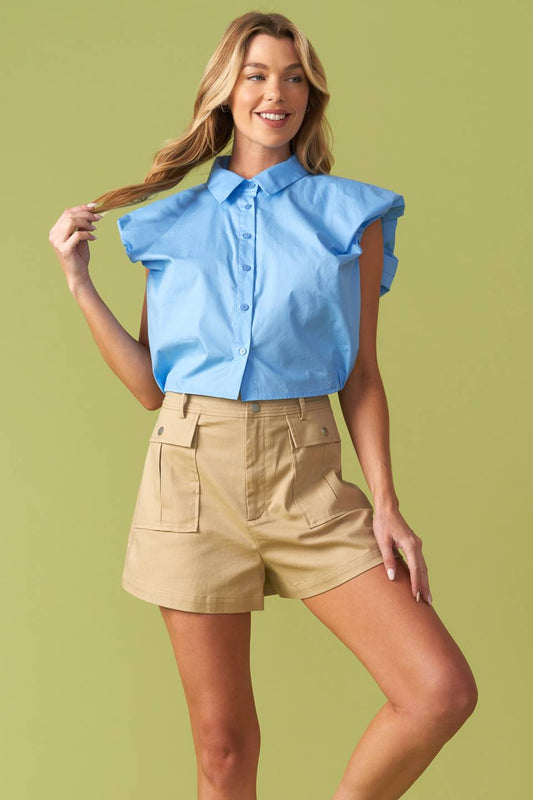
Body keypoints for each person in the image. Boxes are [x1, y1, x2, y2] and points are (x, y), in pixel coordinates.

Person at [48, 10, 478, 800]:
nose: (275, 93)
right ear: (225, 89)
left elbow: (361, 373)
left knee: (437, 692)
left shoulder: (349, 216)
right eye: (256, 75)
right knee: (222, 751)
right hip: (189, 478)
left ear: (310, 97)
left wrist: (386, 504)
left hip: (304, 476)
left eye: (292, 78)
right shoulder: (170, 224)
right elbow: (149, 386)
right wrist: (80, 284)